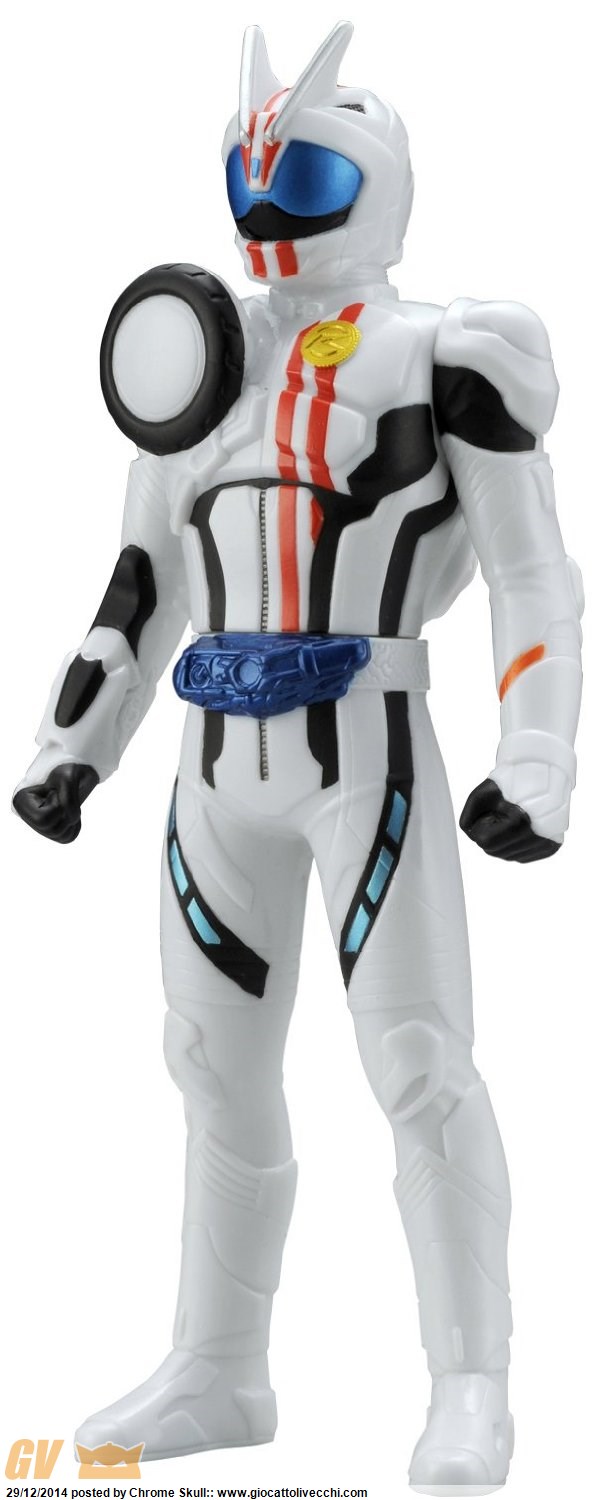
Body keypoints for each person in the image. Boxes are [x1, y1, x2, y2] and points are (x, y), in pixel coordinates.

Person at [13, 22, 583, 1491]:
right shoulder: (191, 356)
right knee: (208, 1062)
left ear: (377, 180)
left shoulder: (445, 352)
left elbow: (532, 576)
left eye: (307, 174)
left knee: (419, 1061)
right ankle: (220, 1365)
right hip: (214, 762)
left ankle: (470, 1382)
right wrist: (76, 741)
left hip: (366, 746)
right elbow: (140, 583)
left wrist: (537, 754)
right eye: (250, 175)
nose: (270, 206)